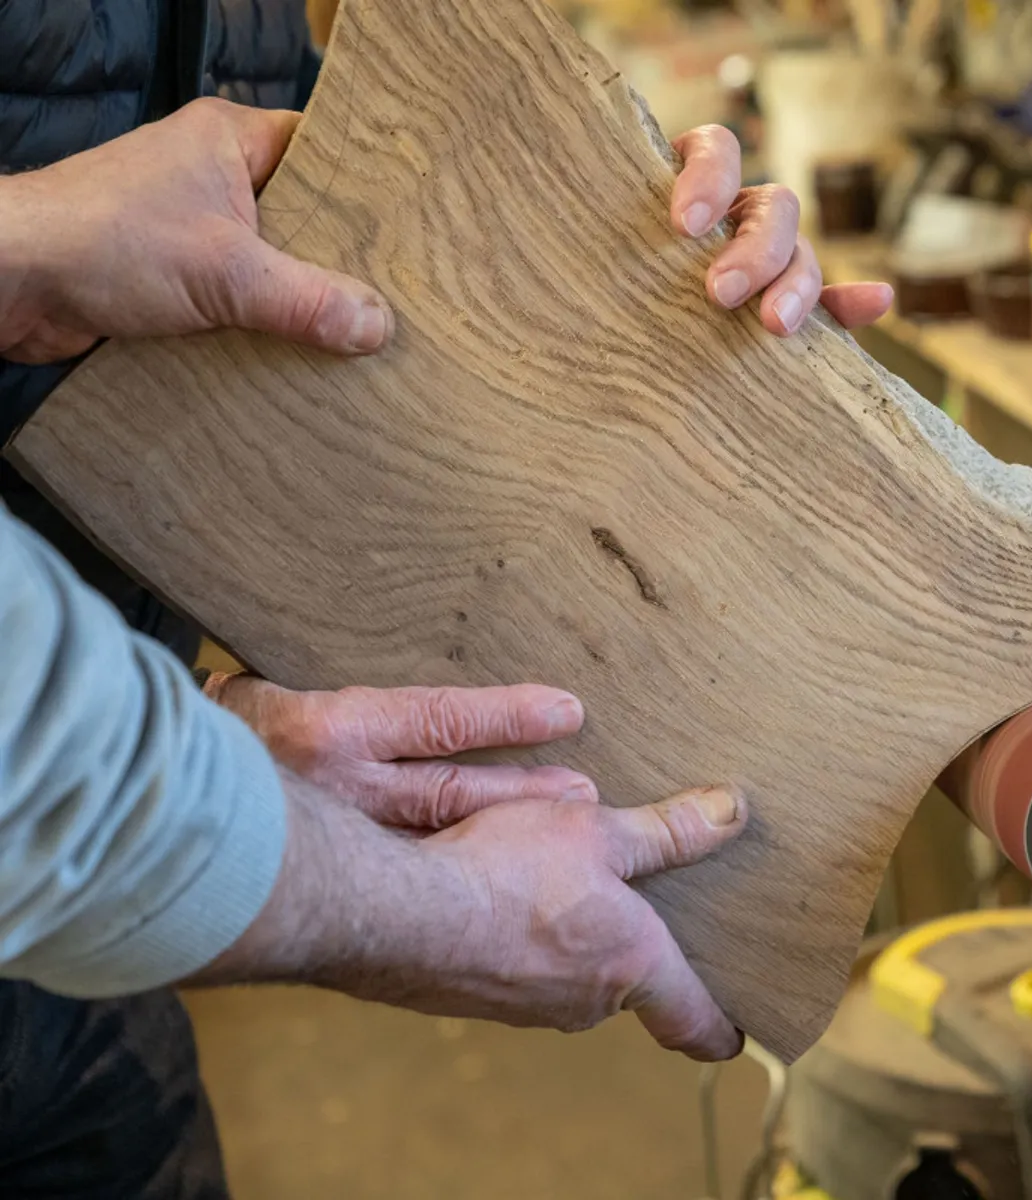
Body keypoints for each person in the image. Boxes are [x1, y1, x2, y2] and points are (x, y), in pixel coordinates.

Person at [0, 9, 892, 1197]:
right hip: (94, 825)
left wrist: (651, 320)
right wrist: (414, 910)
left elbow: (336, 313)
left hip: (88, 946)